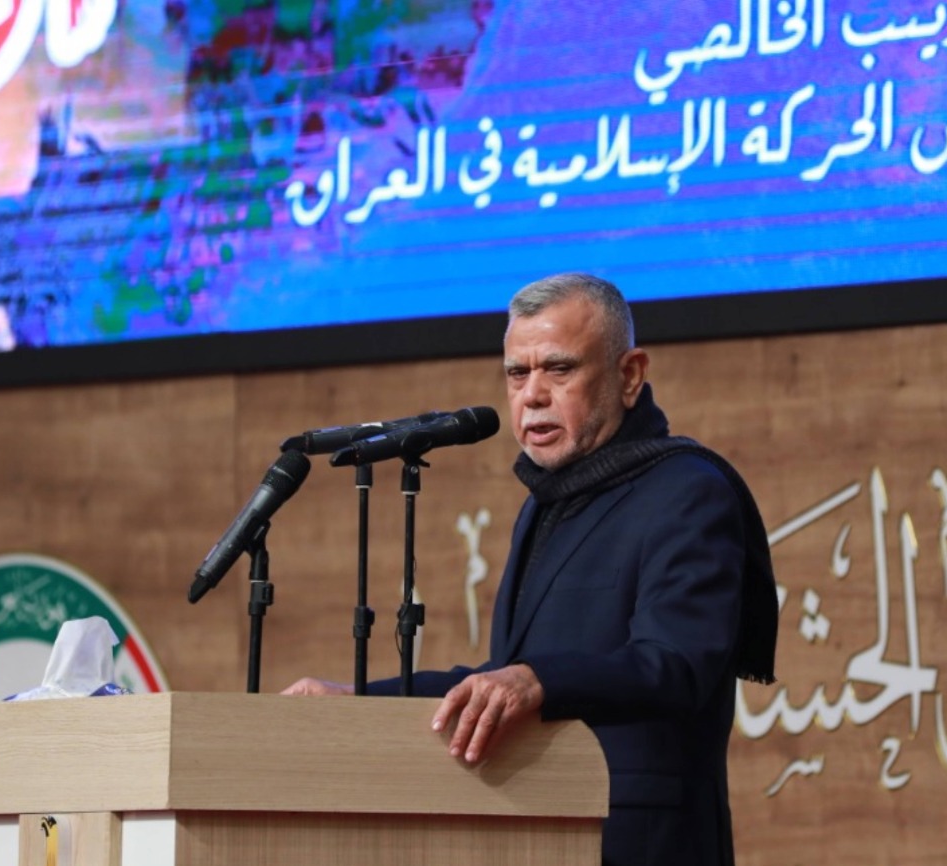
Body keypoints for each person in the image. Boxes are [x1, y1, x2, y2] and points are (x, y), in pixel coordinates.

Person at [284, 273, 777, 866]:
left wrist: (537, 679)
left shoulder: (687, 492)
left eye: (559, 369)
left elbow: (676, 663)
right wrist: (359, 698)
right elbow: (503, 682)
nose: (533, 395)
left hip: (640, 842)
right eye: (518, 374)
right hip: (535, 836)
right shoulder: (546, 502)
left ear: (629, 375)